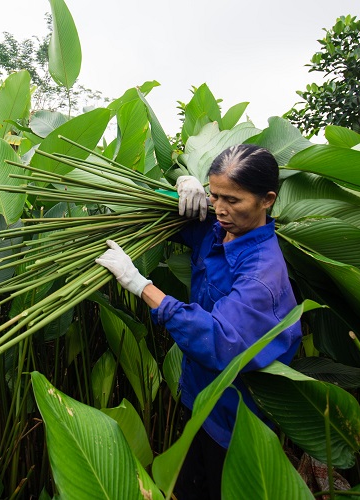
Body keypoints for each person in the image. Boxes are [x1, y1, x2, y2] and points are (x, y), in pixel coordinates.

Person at [96, 144, 302, 499]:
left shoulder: (261, 274)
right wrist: (178, 186)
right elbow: (159, 212)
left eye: (233, 200)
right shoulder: (218, 228)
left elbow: (219, 341)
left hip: (234, 416)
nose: (220, 209)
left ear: (267, 200)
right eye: (214, 195)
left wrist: (139, 284)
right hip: (200, 398)